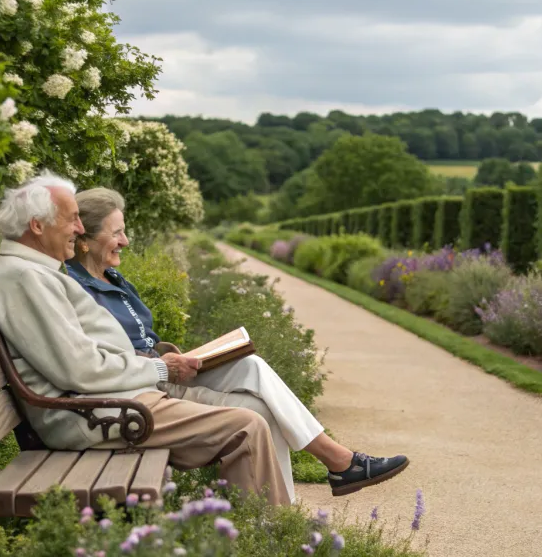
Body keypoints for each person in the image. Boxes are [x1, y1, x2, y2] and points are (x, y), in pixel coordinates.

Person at [64, 187, 409, 502]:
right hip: (142, 390)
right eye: (117, 232)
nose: (125, 241)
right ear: (85, 240)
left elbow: (142, 338)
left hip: (160, 373)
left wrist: (173, 355)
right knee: (259, 411)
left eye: (125, 231)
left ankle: (323, 475)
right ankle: (315, 485)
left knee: (250, 365)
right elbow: (104, 358)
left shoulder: (112, 277)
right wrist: (161, 363)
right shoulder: (77, 289)